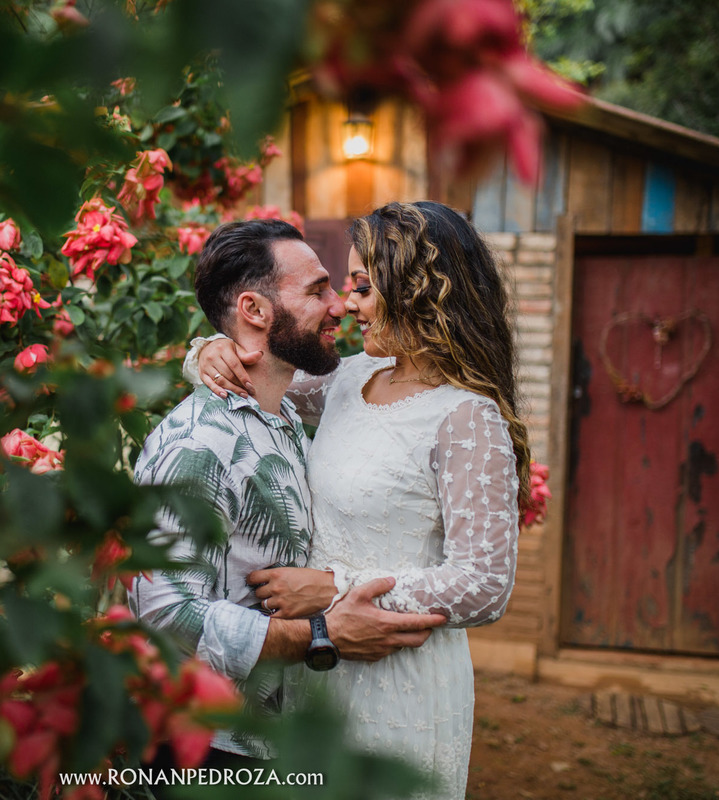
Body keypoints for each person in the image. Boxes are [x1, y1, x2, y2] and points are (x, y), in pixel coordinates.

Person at [189, 202, 529, 799]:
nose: (348, 305)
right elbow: (257, 371)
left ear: (419, 291)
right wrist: (205, 353)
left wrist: (335, 588)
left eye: (365, 287)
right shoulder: (349, 380)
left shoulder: (467, 418)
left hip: (396, 678)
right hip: (317, 664)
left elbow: (485, 584)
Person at [129, 218, 448, 770]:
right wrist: (322, 634)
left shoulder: (285, 422)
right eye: (318, 291)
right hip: (207, 748)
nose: (339, 306)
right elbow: (163, 610)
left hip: (273, 739)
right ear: (254, 310)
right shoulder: (199, 442)